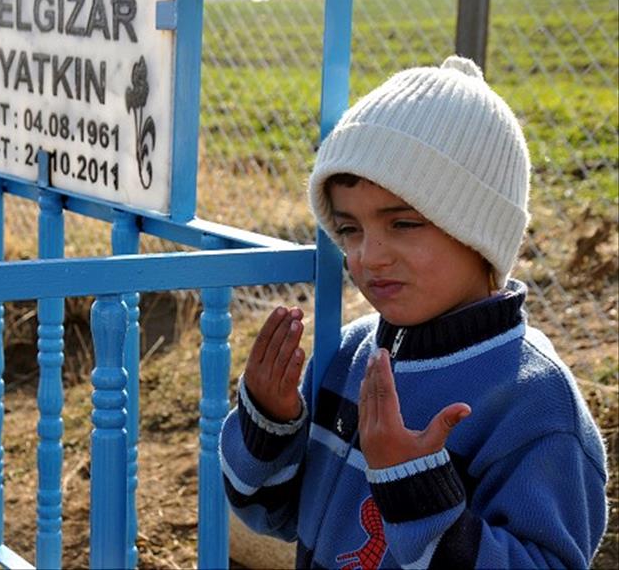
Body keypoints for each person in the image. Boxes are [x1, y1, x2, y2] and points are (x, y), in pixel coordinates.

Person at [219, 56, 608, 569]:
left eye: (402, 223)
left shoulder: (534, 405)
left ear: (478, 231)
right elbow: (274, 517)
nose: (367, 256)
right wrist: (270, 425)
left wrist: (417, 494)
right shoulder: (349, 355)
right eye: (350, 229)